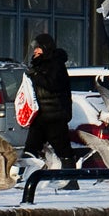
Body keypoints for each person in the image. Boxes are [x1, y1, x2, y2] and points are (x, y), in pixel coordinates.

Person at [24, 33, 80, 189]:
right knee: (31, 148)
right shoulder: (38, 64)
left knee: (63, 149)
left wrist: (35, 75)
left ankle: (71, 181)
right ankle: (25, 179)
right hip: (40, 115)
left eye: (38, 48)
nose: (35, 51)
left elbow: (52, 84)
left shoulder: (56, 64)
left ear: (45, 48)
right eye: (34, 48)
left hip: (55, 115)